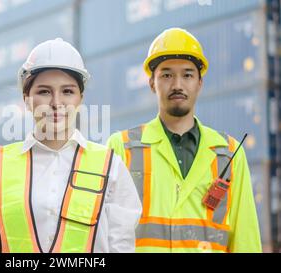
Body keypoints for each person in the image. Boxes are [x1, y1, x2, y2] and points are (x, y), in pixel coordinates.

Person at [0, 38, 142, 253]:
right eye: (44, 92)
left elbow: (121, 246)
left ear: (80, 98)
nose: (56, 103)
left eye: (67, 91)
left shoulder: (110, 166)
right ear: (27, 99)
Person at [107, 28, 262, 253]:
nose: (177, 84)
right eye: (167, 75)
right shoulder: (121, 147)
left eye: (187, 75)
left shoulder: (229, 152)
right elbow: (103, 237)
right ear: (152, 83)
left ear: (200, 82)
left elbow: (246, 240)